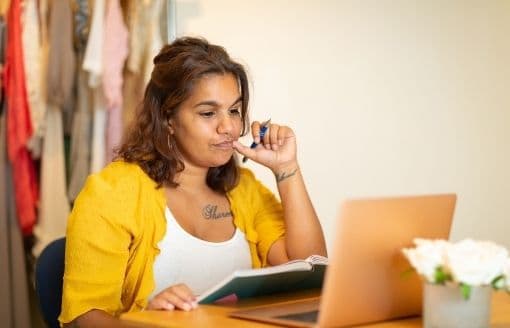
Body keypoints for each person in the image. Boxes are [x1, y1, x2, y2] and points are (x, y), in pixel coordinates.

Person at [59, 37, 327, 327]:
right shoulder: (111, 193)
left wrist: (287, 169)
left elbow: (310, 270)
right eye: (208, 113)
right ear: (168, 118)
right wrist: (145, 321)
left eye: (234, 111)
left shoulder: (244, 189)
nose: (229, 127)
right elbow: (84, 317)